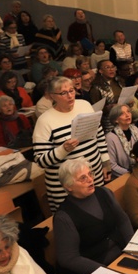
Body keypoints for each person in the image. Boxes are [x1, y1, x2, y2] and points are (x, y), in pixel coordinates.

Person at [33, 76, 111, 212]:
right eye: (63, 93)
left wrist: (105, 162)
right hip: (66, 187)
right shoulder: (45, 121)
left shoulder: (85, 105)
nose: (70, 96)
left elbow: (99, 134)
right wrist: (63, 150)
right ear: (52, 96)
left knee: (99, 210)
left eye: (72, 90)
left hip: (93, 174)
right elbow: (41, 160)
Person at [105, 104, 138, 179]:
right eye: (122, 114)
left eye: (128, 111)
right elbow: (112, 166)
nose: (127, 115)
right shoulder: (110, 138)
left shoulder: (135, 129)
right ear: (116, 120)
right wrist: (132, 174)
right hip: (124, 176)